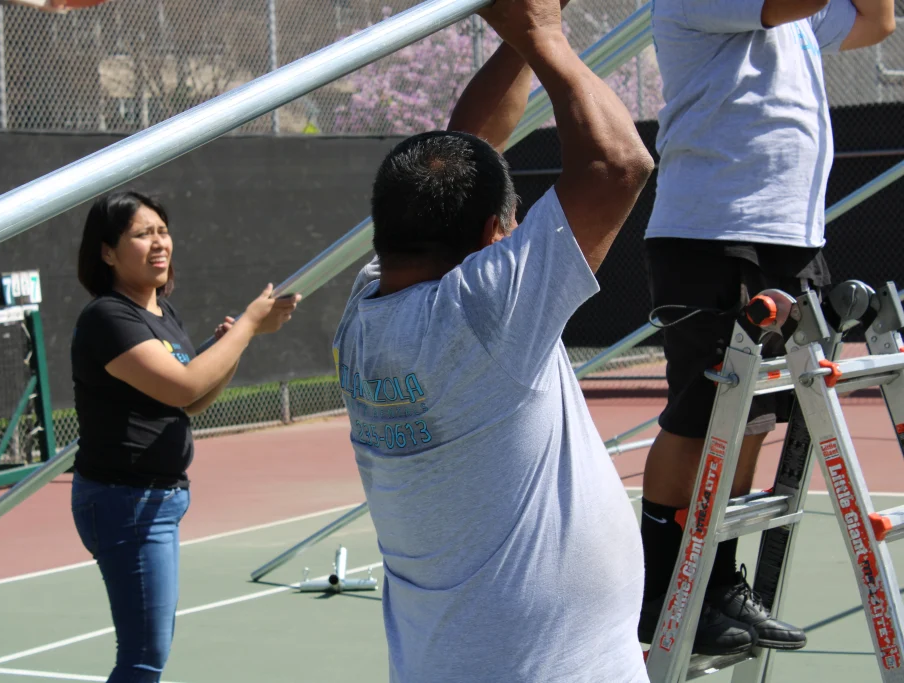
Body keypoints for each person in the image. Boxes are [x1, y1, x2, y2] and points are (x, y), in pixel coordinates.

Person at [331, 0, 656, 678]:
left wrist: (518, 35)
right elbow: (619, 164)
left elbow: (461, 146)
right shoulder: (481, 315)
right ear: (490, 241)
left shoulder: (368, 308)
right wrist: (543, 36)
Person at [639, 0, 896, 656]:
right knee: (698, 415)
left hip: (790, 233)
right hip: (712, 230)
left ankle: (719, 581)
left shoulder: (793, 19)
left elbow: (876, 22)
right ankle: (665, 592)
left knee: (751, 417)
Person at [69, 190, 300, 682]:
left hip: (156, 499)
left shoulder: (161, 312)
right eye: (141, 234)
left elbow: (195, 400)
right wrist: (250, 325)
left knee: (150, 649)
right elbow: (185, 385)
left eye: (162, 231)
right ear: (107, 251)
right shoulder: (108, 318)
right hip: (123, 501)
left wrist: (235, 345)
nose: (158, 243)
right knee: (144, 656)